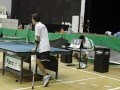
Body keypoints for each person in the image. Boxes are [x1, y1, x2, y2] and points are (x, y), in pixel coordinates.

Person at [32, 13, 50, 87]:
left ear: (33, 19)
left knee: (39, 62)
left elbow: (37, 39)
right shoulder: (43, 25)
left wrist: (35, 48)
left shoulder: (37, 26)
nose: (31, 20)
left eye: (32, 19)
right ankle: (46, 76)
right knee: (38, 61)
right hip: (45, 46)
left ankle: (46, 76)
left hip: (42, 47)